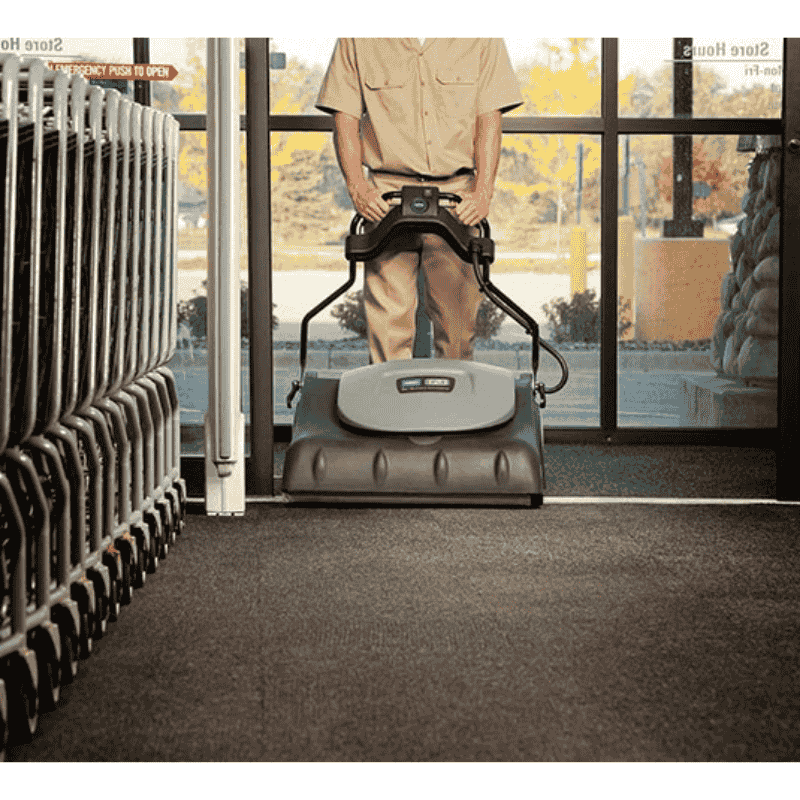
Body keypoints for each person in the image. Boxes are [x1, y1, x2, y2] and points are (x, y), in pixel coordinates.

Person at [316, 38, 523, 363]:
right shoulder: (358, 37)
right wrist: (359, 189)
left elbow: (489, 120)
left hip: (456, 200)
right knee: (387, 333)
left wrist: (483, 192)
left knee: (457, 334)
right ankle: (387, 396)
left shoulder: (480, 35)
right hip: (387, 198)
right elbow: (345, 120)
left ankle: (456, 396)